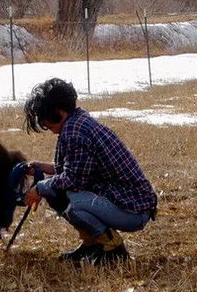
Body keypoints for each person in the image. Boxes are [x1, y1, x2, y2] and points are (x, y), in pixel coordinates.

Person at [21, 77, 158, 266]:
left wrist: (39, 188)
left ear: (59, 112)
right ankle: (92, 244)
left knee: (74, 203)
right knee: (56, 192)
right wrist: (40, 166)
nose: (44, 125)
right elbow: (74, 170)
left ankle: (113, 248)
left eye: (45, 119)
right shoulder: (77, 122)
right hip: (126, 202)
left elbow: (74, 180)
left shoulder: (75, 132)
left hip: (132, 209)